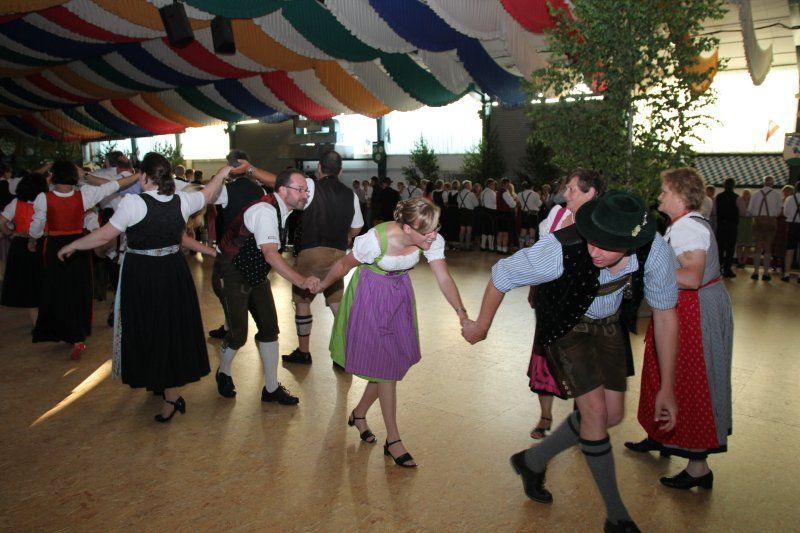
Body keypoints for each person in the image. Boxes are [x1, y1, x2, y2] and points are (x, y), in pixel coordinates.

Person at [462, 191, 679, 533]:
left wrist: (667, 387)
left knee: (612, 415)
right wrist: (481, 327)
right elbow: (502, 274)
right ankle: (617, 517)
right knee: (594, 414)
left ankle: (532, 461)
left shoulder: (655, 251)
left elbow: (665, 316)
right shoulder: (560, 247)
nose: (594, 251)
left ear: (631, 242)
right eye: (593, 239)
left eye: (606, 245)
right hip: (565, 325)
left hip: (608, 325)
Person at [57, 153, 232, 421]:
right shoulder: (182, 200)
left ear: (145, 177)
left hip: (144, 274)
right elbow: (208, 193)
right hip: (173, 272)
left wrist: (72, 245)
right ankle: (161, 381)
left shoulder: (134, 203)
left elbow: (104, 236)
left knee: (153, 328)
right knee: (168, 328)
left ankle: (171, 396)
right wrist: (224, 171)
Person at [316, 198, 468, 467]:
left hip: (399, 297)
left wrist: (461, 312)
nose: (433, 236)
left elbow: (444, 277)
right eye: (427, 231)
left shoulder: (430, 239)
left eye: (435, 228)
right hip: (370, 297)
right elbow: (343, 266)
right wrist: (320, 286)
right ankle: (393, 439)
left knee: (389, 365)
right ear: (407, 228)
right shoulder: (375, 240)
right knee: (386, 370)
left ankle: (359, 413)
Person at [626, 167, 733, 491]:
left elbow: (692, 277)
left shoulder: (689, 228)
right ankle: (660, 434)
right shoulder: (683, 224)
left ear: (682, 195)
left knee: (691, 379)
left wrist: (647, 272)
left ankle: (698, 466)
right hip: (684, 309)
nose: (659, 196)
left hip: (694, 312)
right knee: (664, 371)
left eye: (665, 191)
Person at [213, 169, 321, 405]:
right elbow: (271, 254)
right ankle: (223, 371)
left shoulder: (284, 209)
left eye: (306, 190)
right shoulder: (265, 211)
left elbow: (266, 255)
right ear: (282, 190)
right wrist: (301, 281)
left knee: (270, 328)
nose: (305, 195)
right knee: (238, 334)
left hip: (255, 273)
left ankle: (271, 388)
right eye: (300, 190)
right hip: (231, 271)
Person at [29, 161, 139, 359]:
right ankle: (77, 335)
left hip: (54, 246)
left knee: (56, 288)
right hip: (79, 246)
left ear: (54, 177)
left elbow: (36, 227)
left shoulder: (44, 198)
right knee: (79, 289)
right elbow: (113, 186)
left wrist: (33, 239)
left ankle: (61, 330)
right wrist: (138, 175)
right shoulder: (85, 195)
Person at [527, 169, 606, 440]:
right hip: (550, 295)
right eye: (567, 188)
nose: (565, 193)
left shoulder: (600, 222)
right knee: (546, 352)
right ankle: (545, 416)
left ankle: (579, 418)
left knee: (580, 358)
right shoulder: (557, 214)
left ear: (590, 193)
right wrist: (534, 285)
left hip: (582, 298)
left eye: (572, 189)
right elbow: (540, 253)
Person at [282, 150, 364, 365]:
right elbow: (357, 227)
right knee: (336, 303)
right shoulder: (351, 195)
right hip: (338, 255)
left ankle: (304, 351)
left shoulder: (310, 185)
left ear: (319, 168)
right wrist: (347, 236)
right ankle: (343, 355)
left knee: (302, 301)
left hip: (311, 252)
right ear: (341, 171)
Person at [208, 154, 277, 339]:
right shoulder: (260, 190)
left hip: (231, 253)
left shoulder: (226, 190)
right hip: (254, 252)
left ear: (230, 168)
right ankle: (260, 331)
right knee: (257, 298)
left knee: (232, 298)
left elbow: (206, 196)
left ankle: (230, 330)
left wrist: (220, 176)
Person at [0, 173, 48, 324]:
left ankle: (37, 323)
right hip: (44, 243)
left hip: (21, 245)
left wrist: (10, 233)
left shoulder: (16, 202)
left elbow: (1, 222)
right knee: (44, 282)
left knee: (28, 285)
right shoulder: (47, 201)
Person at [747, 175, 782, 280]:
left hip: (758, 221)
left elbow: (750, 210)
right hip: (770, 222)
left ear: (764, 182)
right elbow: (778, 211)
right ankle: (766, 273)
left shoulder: (756, 194)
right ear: (772, 183)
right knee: (768, 248)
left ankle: (755, 272)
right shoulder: (776, 195)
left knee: (758, 247)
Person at [714, 178, 739, 278]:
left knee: (719, 248)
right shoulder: (736, 197)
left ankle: (718, 269)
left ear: (724, 185)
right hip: (732, 225)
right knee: (730, 248)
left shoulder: (718, 197)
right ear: (734, 185)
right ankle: (727, 269)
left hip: (721, 225)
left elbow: (714, 211)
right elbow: (742, 211)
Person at [782, 180, 800, 282]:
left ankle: (786, 274)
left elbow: (785, 213)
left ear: (796, 188)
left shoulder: (790, 198)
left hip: (792, 226)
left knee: (789, 251)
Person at [518, 182, 542, 249]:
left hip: (524, 214)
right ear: (532, 186)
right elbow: (539, 204)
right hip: (532, 215)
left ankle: (521, 248)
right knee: (532, 231)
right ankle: (531, 249)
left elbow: (519, 203)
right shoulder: (535, 194)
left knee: (523, 231)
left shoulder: (519, 194)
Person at [496, 178, 516, 254]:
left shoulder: (498, 192)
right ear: (506, 184)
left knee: (500, 233)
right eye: (508, 184)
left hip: (499, 214)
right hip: (505, 215)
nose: (509, 185)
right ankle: (504, 250)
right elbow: (512, 204)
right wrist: (514, 200)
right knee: (505, 233)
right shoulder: (505, 192)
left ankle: (499, 249)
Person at [456, 180, 478, 250]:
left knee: (462, 229)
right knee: (469, 229)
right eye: (470, 185)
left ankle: (461, 245)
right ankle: (467, 246)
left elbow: (458, 203)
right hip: (469, 213)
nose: (471, 187)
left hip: (461, 212)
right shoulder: (471, 194)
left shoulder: (459, 193)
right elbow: (476, 204)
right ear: (468, 186)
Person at [736, 189, 752, 268]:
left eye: (748, 194)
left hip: (749, 222)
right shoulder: (739, 200)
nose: (746, 195)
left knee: (748, 244)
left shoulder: (752, 201)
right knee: (739, 243)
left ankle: (744, 261)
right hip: (741, 221)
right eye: (745, 193)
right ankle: (739, 261)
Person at [480, 179, 497, 251]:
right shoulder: (491, 192)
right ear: (489, 185)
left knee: (484, 229)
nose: (494, 186)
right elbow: (496, 202)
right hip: (491, 212)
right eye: (493, 184)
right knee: (491, 230)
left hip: (483, 211)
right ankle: (491, 247)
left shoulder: (483, 192)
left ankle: (483, 246)